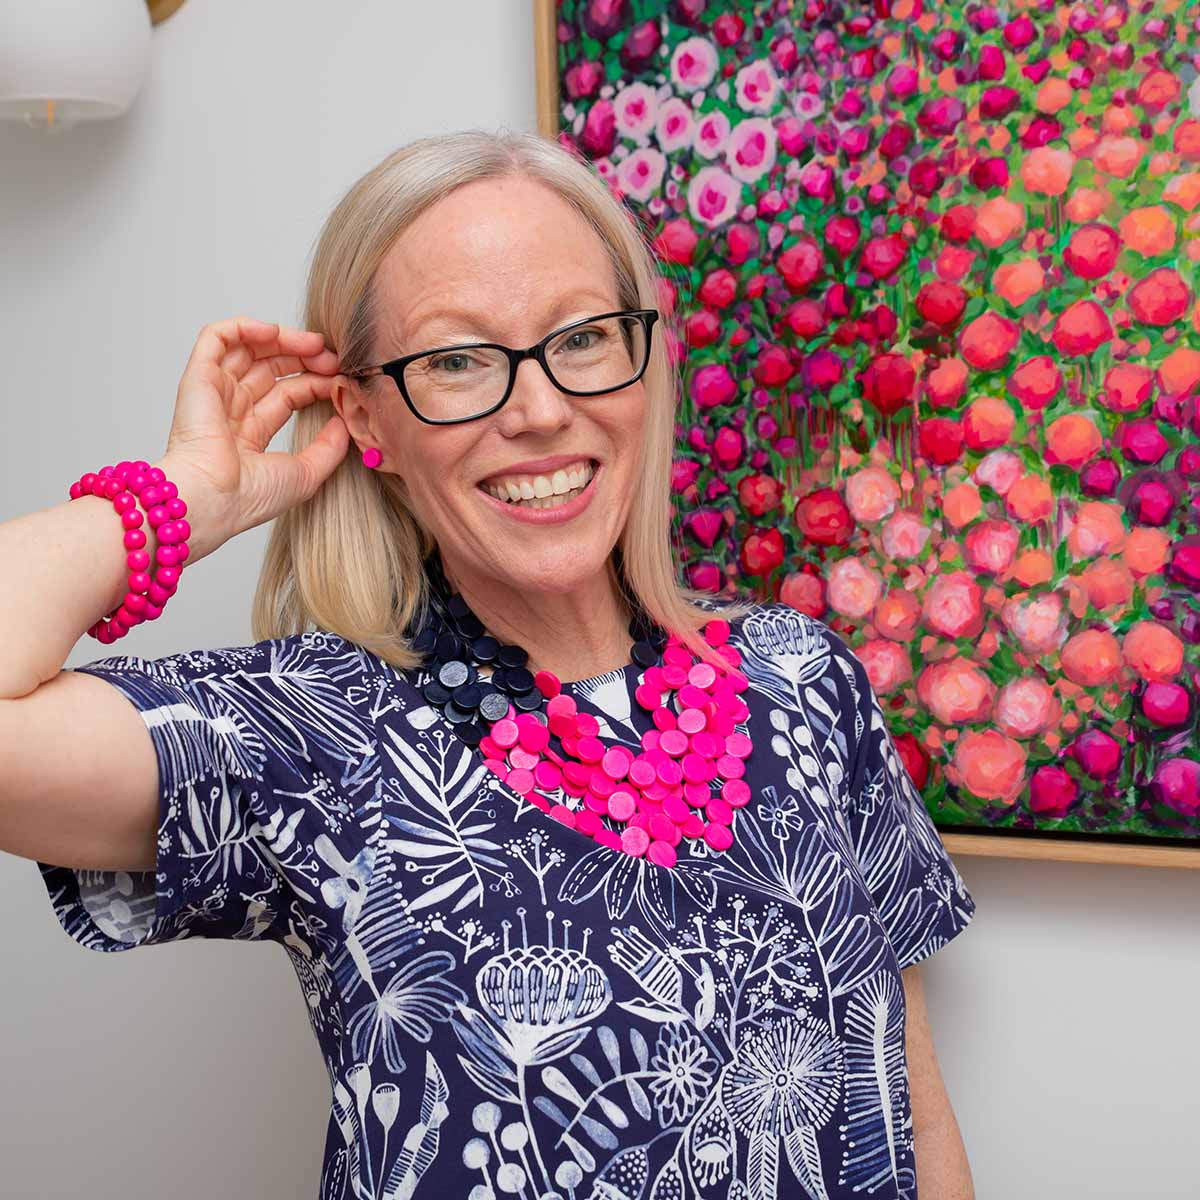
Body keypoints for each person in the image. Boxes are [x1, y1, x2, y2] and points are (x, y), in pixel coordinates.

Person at [0, 129, 976, 1200]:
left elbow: (912, 1111)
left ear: (641, 359)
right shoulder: (316, 730)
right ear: (368, 417)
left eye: (584, 338)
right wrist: (191, 491)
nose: (541, 410)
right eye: (457, 360)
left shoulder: (803, 677)